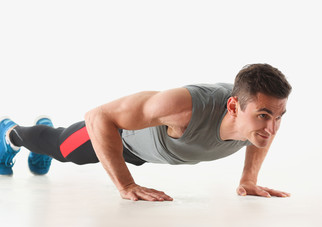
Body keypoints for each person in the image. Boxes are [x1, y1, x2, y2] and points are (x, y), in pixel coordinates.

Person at [0, 63, 292, 202]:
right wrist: (126, 185)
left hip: (149, 152)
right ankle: (11, 134)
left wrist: (249, 179)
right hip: (119, 138)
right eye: (264, 116)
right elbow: (98, 116)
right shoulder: (183, 108)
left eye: (279, 116)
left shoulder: (257, 120)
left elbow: (260, 135)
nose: (272, 128)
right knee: (63, 150)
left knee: (59, 149)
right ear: (232, 106)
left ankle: (42, 135)